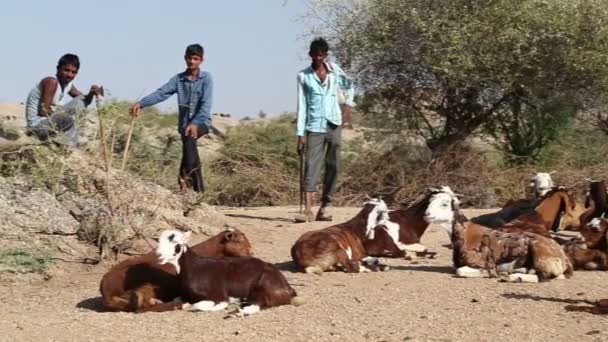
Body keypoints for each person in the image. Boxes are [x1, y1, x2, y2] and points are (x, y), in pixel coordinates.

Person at [130, 44, 213, 193]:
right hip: (185, 126)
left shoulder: (206, 78)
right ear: (185, 58)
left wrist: (194, 123)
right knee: (189, 150)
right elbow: (161, 93)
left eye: (195, 59)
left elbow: (206, 105)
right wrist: (141, 104)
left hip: (202, 123)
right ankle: (192, 190)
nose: (192, 62)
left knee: (189, 137)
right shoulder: (178, 80)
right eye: (189, 58)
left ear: (201, 60)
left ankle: (194, 189)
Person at [295, 37, 355, 222]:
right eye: (316, 54)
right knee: (311, 166)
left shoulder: (334, 71)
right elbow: (302, 105)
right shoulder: (303, 76)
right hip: (314, 125)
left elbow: (349, 86)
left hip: (334, 123)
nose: (319, 57)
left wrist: (347, 107)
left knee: (334, 166)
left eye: (322, 54)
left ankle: (325, 207)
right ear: (311, 55)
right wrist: (300, 133)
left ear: (326, 55)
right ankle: (307, 210)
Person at [25, 53, 104, 148]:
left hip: (50, 123)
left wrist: (91, 94)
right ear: (58, 68)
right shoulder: (51, 82)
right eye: (66, 70)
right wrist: (66, 115)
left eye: (73, 72)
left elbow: (82, 101)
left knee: (80, 102)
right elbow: (44, 111)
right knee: (68, 118)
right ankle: (65, 145)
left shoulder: (68, 84)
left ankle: (67, 143)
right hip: (38, 126)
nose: (69, 75)